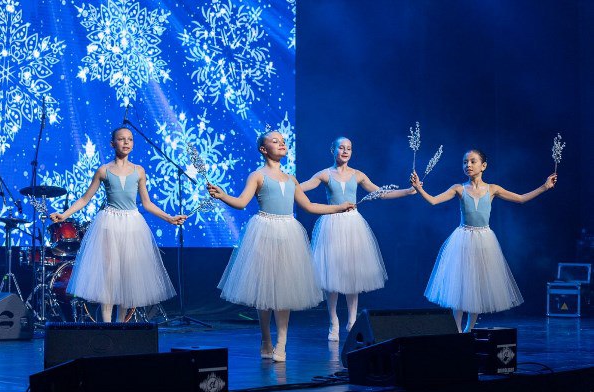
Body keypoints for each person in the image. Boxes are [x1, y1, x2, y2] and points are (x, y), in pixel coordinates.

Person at [207, 130, 355, 362]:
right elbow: (241, 202)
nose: (281, 144)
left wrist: (338, 207)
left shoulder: (291, 179)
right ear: (263, 149)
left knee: (284, 290)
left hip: (288, 233)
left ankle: (282, 343)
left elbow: (310, 206)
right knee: (265, 289)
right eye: (275, 141)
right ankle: (266, 338)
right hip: (264, 231)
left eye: (283, 141)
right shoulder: (257, 176)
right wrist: (223, 196)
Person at [410, 149, 557, 333]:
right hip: (463, 239)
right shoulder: (458, 188)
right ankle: (457, 331)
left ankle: (469, 330)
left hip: (484, 240)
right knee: (460, 286)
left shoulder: (493, 189)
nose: (468, 165)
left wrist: (544, 187)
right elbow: (433, 201)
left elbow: (520, 199)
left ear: (483, 166)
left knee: (477, 285)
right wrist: (419, 188)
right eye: (465, 162)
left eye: (473, 161)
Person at [49, 127, 187, 323]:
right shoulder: (103, 171)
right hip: (109, 223)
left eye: (130, 139)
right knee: (110, 276)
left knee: (127, 276)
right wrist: (64, 215)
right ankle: (107, 325)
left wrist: (169, 218)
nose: (126, 142)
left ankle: (122, 324)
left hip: (132, 224)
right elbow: (85, 199)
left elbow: (147, 203)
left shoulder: (139, 171)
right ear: (112, 143)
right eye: (121, 139)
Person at [300, 136, 416, 341]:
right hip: (332, 224)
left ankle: (352, 321)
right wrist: (282, 183)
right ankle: (333, 321)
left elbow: (380, 193)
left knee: (352, 274)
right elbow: (301, 187)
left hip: (353, 225)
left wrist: (408, 191)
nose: (345, 151)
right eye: (341, 148)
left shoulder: (358, 175)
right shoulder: (324, 174)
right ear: (333, 150)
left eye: (349, 148)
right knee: (331, 275)